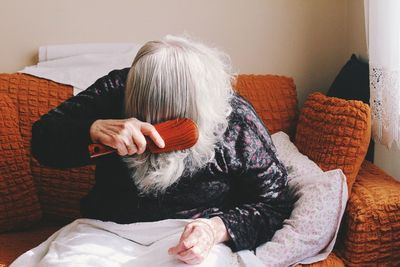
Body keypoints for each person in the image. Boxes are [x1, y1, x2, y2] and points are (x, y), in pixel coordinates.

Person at [31, 35, 292, 265]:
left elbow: (274, 203)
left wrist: (215, 229)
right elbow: (42, 141)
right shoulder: (116, 90)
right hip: (107, 230)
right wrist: (93, 128)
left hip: (189, 233)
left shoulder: (235, 119)